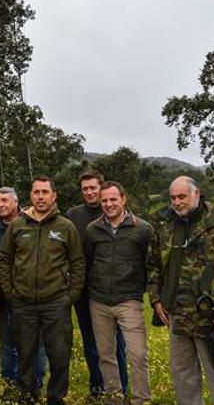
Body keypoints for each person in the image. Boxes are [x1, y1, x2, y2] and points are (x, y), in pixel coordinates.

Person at [147, 176, 214, 405]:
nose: (176, 202)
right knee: (183, 375)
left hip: (209, 317)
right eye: (172, 198)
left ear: (197, 194)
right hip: (176, 314)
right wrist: (156, 300)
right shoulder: (166, 227)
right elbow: (152, 267)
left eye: (181, 196)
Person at [0, 177, 84, 405]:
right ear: (31, 195)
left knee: (59, 355)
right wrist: (10, 293)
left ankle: (56, 398)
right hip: (23, 302)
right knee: (25, 354)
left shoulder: (65, 226)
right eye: (37, 192)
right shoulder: (18, 226)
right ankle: (27, 396)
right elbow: (4, 260)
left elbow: (78, 263)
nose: (41, 196)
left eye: (45, 192)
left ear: (54, 195)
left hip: (56, 301)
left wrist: (71, 296)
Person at [84, 181, 153, 405]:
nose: (108, 204)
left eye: (113, 199)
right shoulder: (92, 229)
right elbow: (89, 261)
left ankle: (141, 399)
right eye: (104, 200)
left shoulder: (142, 229)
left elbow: (150, 265)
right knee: (105, 355)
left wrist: (143, 291)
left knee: (138, 354)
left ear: (123, 199)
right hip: (99, 301)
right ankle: (113, 399)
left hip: (129, 300)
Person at [65, 171, 129, 399]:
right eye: (85, 189)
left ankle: (121, 388)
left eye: (93, 188)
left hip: (110, 290)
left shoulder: (111, 211)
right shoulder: (73, 215)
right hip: (82, 290)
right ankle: (97, 387)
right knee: (91, 342)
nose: (90, 192)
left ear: (102, 188)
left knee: (115, 343)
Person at [0, 186, 47, 397]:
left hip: (32, 297)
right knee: (7, 347)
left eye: (5, 200)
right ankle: (11, 387)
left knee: (36, 345)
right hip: (5, 299)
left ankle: (35, 385)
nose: (1, 205)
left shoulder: (32, 222)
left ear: (16, 202)